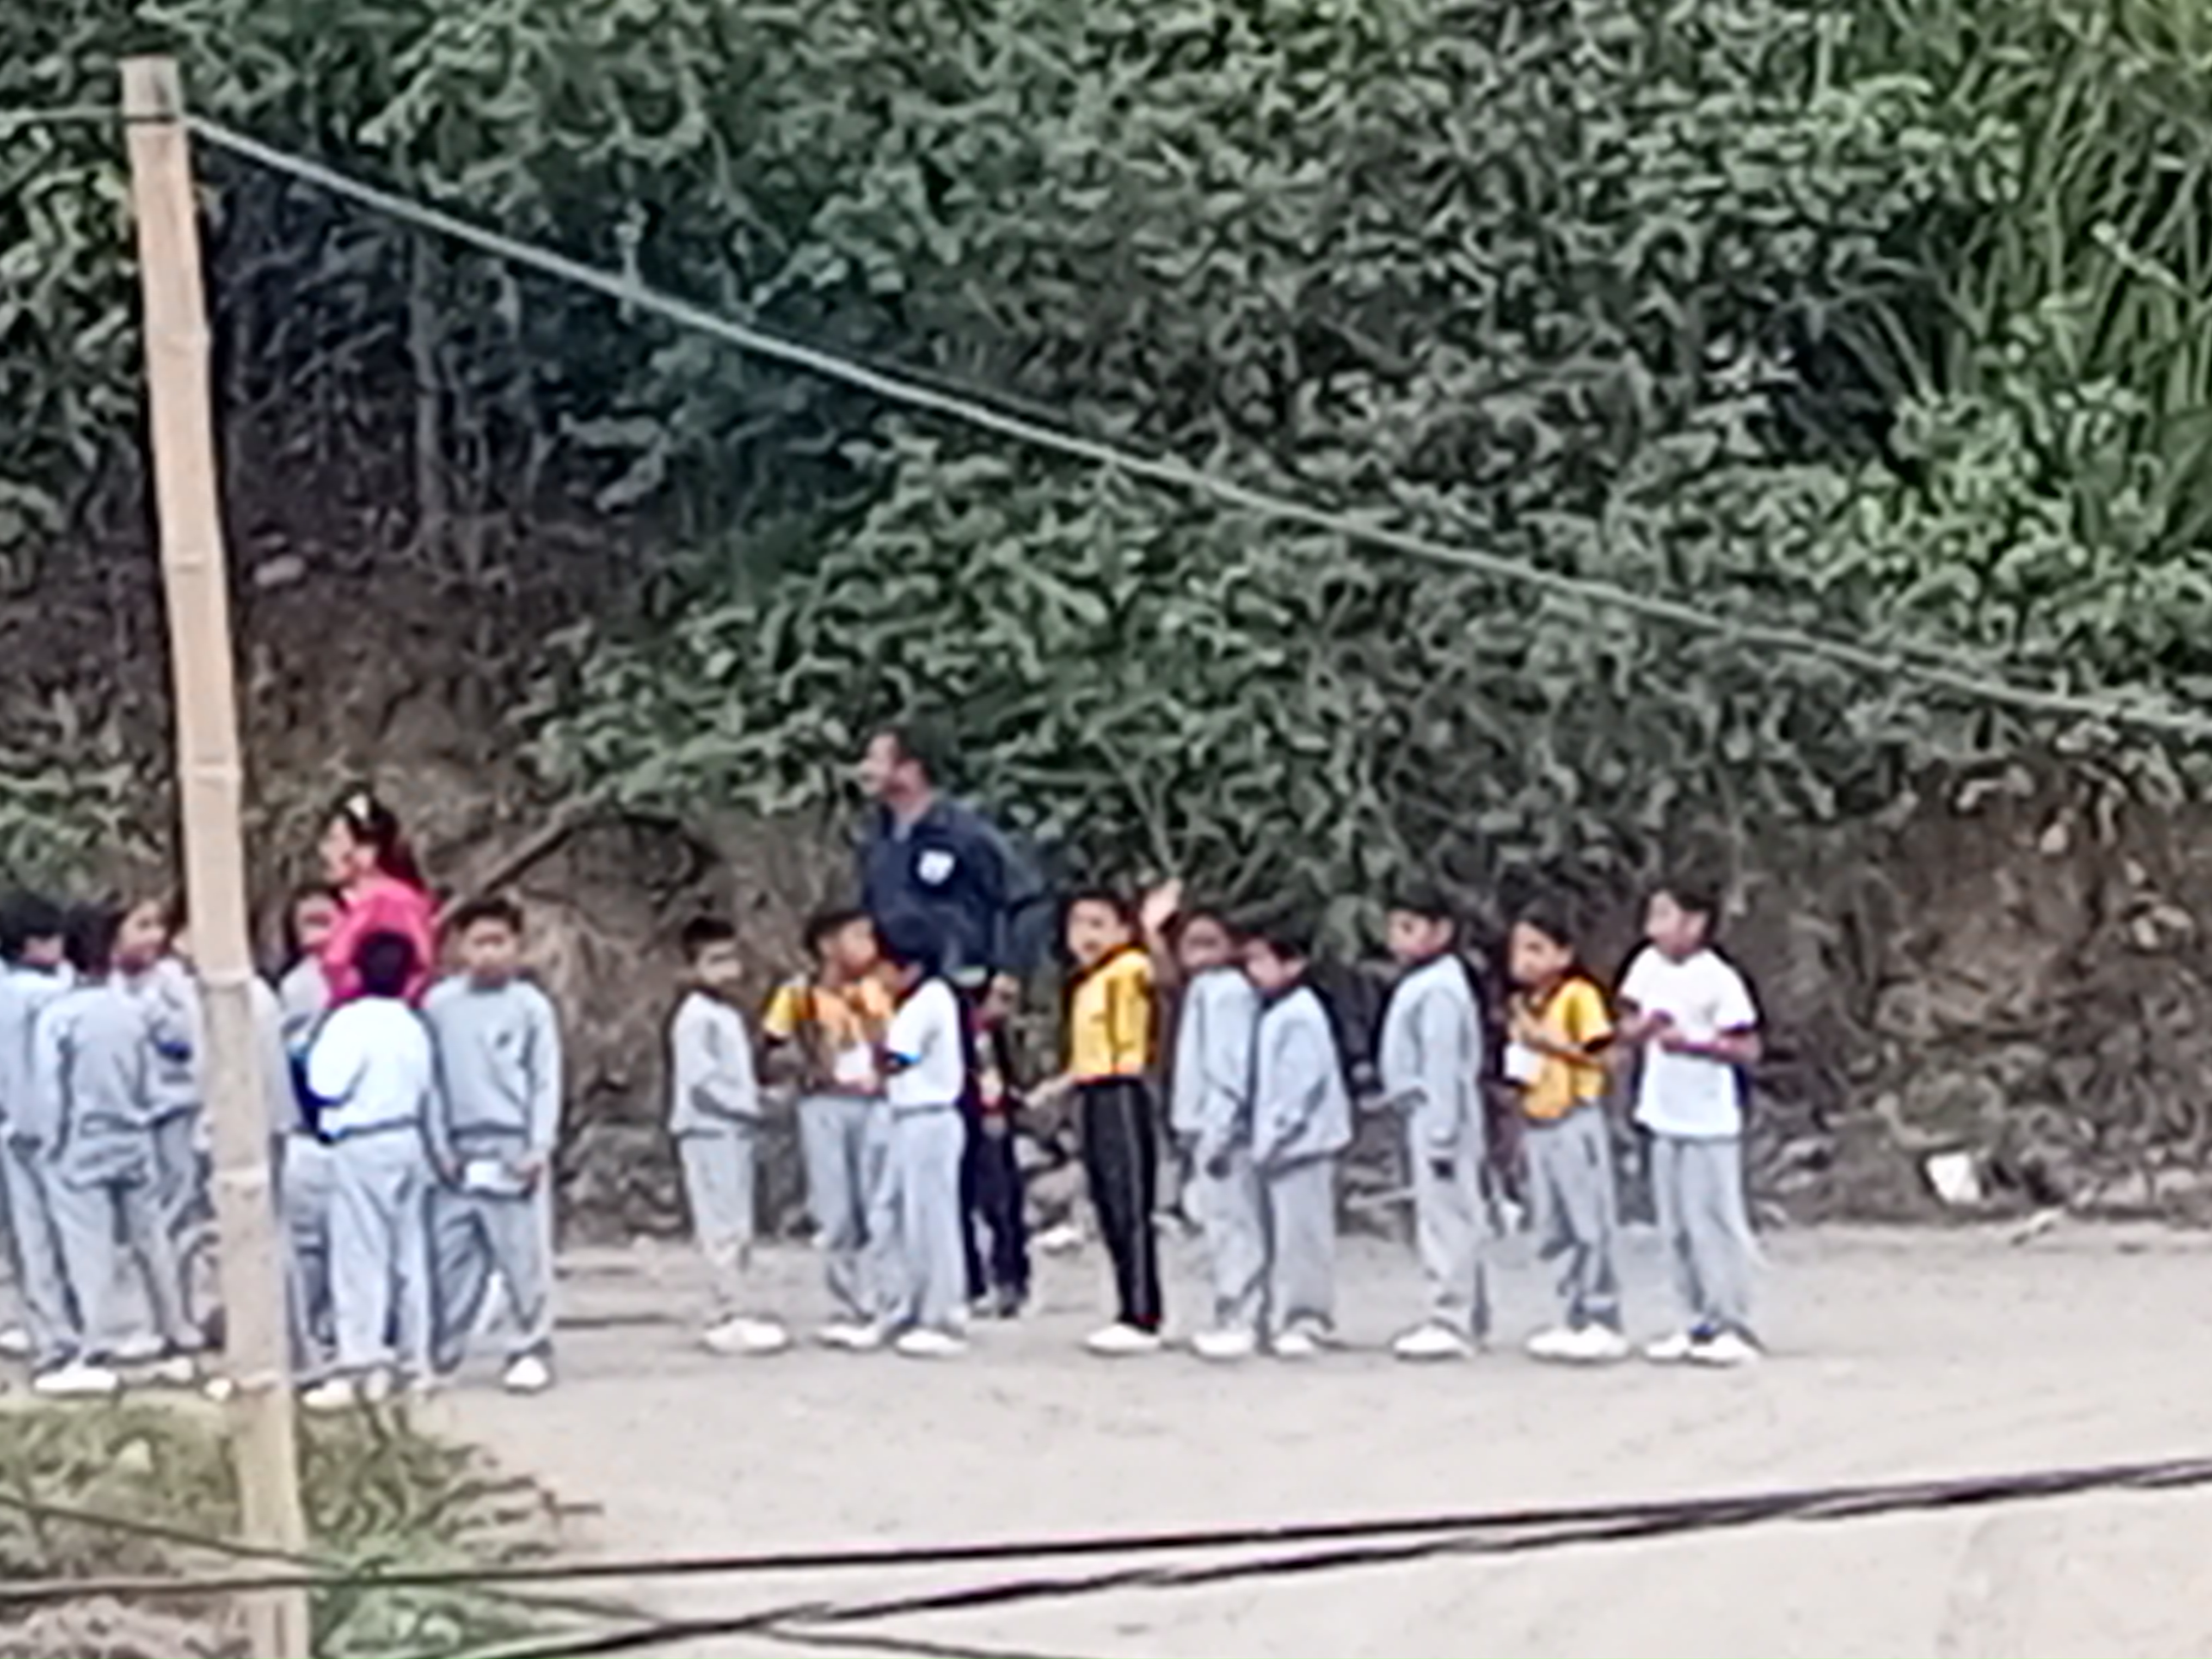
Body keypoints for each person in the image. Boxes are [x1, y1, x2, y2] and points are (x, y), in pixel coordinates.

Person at [26, 905, 199, 1397]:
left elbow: (50, 1089)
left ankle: (96, 1342)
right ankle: (175, 1330)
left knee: (89, 1246)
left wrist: (50, 1141)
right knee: (152, 1239)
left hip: (80, 1141)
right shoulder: (131, 1011)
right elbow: (151, 1073)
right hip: (134, 1133)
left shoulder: (60, 1016)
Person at [1618, 880, 1764, 1368]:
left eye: (1665, 916)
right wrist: (1643, 1030)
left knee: (1714, 1223)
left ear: (1696, 923)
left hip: (1709, 1119)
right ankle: (1692, 1318)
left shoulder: (1719, 979)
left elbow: (1747, 1047)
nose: (1653, 928)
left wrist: (1697, 1045)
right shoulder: (1647, 967)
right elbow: (1626, 1025)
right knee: (1675, 1225)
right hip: (1663, 1112)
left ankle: (1733, 1321)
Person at [423, 899, 564, 1394]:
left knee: (523, 1256)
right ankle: (441, 1352)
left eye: (499, 942)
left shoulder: (531, 1007)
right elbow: (431, 1081)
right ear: (460, 949)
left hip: (513, 1143)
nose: (489, 954)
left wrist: (539, 1145)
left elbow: (545, 1079)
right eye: (479, 943)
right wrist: (439, 1145)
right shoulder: (439, 1006)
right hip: (458, 1148)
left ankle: (529, 1345)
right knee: (451, 1258)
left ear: (518, 947)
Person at [303, 930, 437, 1407]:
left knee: (359, 1255)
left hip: (361, 1139)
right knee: (408, 1256)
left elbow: (326, 1084)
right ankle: (414, 1361)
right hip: (408, 1136)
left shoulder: (349, 1023)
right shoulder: (413, 1025)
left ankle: (360, 1362)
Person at [761, 907, 896, 1347]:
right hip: (823, 1104)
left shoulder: (877, 991)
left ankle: (884, 1297)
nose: (868, 947)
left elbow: (902, 1045)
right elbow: (771, 1050)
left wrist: (886, 1061)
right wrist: (806, 1069)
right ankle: (847, 1301)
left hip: (873, 1102)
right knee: (834, 1206)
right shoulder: (797, 996)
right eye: (857, 937)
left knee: (877, 1200)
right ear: (827, 946)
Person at [1506, 904, 1627, 1363]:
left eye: (1537, 949)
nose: (1524, 960)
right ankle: (1569, 1312)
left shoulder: (1579, 997)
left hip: (1576, 1115)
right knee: (1553, 1223)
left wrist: (1552, 1045)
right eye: (1519, 950)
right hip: (1539, 1117)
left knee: (1588, 1219)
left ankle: (1603, 1316)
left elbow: (1606, 1057)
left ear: (1564, 954)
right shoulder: (1523, 1006)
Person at [1377, 884, 1489, 1362]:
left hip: (1440, 1116)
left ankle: (1451, 1317)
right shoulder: (1423, 983)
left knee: (1447, 1218)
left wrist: (1442, 1134)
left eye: (1410, 927)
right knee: (1440, 1214)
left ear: (1442, 932)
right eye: (1394, 928)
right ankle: (1467, 1315)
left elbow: (1444, 1065)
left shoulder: (1441, 989)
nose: (1397, 939)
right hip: (1424, 1114)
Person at [855, 721, 1048, 995]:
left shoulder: (967, 833)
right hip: (896, 987)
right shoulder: (875, 837)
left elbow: (1024, 901)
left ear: (911, 769)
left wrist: (1009, 974)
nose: (865, 770)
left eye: (876, 760)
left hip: (965, 986)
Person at [668, 918, 788, 1357]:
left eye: (731, 959)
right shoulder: (694, 1018)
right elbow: (703, 1082)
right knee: (721, 1223)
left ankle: (738, 1304)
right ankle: (725, 1313)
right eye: (715, 961)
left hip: (734, 1129)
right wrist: (750, 1104)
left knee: (738, 1221)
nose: (728, 970)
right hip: (708, 1129)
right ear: (691, 968)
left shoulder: (727, 1015)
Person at [1052, 891, 1162, 1357]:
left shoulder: (1130, 968)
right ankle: (1126, 1307)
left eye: (1099, 924)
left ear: (1123, 931)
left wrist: (1153, 931)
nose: (1086, 936)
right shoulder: (1086, 982)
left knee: (1129, 1202)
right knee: (1107, 1203)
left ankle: (1142, 1312)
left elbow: (1162, 978)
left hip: (1123, 1089)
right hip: (1093, 1090)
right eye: (1078, 924)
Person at [1245, 911, 1351, 1361]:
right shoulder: (1278, 1013)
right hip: (1286, 1145)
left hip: (1302, 1145)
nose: (1253, 971)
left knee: (1304, 1236)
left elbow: (1300, 1085)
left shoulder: (1301, 1015)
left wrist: (1274, 1135)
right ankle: (1285, 1315)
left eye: (1262, 961)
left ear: (1293, 964)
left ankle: (1308, 1318)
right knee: (1285, 1234)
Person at [1165, 901, 1265, 1363]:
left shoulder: (1228, 992)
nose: (1200, 952)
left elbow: (1229, 1068)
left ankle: (1241, 1316)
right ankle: (1229, 1311)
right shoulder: (1201, 990)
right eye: (1191, 942)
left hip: (1221, 1129)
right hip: (1201, 1125)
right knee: (1215, 1224)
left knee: (1233, 1225)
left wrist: (1220, 1129)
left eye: (1212, 941)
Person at [873, 911, 970, 1359]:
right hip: (905, 1116)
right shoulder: (916, 1001)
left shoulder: (929, 1001)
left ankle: (942, 1314)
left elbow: (897, 1057)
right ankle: (900, 1306)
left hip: (929, 1115)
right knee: (891, 1213)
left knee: (931, 1220)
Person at [0, 893, 78, 1374]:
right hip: (47, 1127)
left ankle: (44, 1328)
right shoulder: (49, 994)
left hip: (13, 1123)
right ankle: (61, 1332)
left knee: (27, 1239)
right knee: (52, 1234)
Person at [272, 884, 340, 1383]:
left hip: (355, 1131)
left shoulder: (362, 984)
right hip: (306, 1129)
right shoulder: (294, 987)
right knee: (308, 1243)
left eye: (326, 920)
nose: (318, 933)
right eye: (307, 923)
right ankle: (310, 1332)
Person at [118, 896, 205, 1253]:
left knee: (176, 1192)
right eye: (142, 926)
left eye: (158, 926)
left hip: (173, 1106)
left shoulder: (171, 981)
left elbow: (189, 1037)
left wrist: (155, 1014)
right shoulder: (104, 985)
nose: (154, 936)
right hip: (125, 1113)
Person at [319, 790, 437, 1006]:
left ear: (367, 849)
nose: (324, 852)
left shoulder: (394, 901)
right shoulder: (351, 904)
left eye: (333, 840)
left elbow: (420, 969)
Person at [966, 974, 1031, 1319]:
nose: (1009, 1008)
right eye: (1003, 999)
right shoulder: (968, 1033)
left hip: (998, 1123)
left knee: (1006, 1205)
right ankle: (977, 1282)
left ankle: (1011, 1278)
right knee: (982, 1204)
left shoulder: (998, 1035)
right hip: (976, 1121)